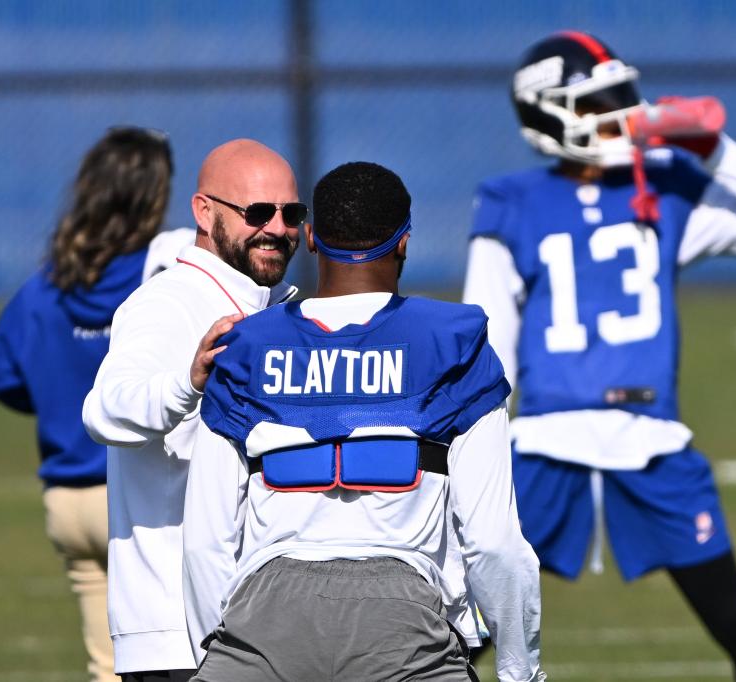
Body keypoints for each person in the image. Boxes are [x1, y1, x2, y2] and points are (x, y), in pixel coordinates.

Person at [463, 31, 736, 682]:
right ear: (551, 113)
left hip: (652, 439)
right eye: (602, 102)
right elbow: (491, 350)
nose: (627, 112)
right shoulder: (512, 202)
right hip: (544, 444)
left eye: (624, 95)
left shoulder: (667, 185)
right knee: (465, 639)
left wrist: (715, 149)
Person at [183, 161, 545, 682]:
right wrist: (520, 671)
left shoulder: (244, 347)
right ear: (404, 243)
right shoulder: (453, 343)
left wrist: (222, 655)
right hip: (405, 619)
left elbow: (204, 542)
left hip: (262, 620)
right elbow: (494, 542)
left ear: (309, 239)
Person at [81, 139, 303, 681]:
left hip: (254, 627)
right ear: (204, 212)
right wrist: (187, 383)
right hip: (178, 640)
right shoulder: (167, 301)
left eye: (290, 213)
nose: (276, 227)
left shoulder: (274, 307)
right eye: (256, 212)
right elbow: (104, 408)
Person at [0, 126, 192, 682]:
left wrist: (60, 398)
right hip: (135, 496)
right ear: (155, 193)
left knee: (107, 667)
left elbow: (1, 376)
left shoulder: (46, 282)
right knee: (178, 657)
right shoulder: (168, 267)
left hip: (66, 501)